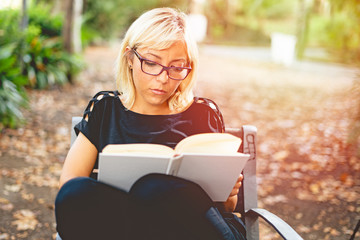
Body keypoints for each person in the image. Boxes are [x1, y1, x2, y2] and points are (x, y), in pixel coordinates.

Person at [55, 7, 246, 240]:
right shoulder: (106, 110)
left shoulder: (202, 114)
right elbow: (70, 186)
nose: (163, 78)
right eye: (152, 63)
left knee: (155, 188)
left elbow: (227, 207)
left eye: (176, 68)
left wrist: (228, 191)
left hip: (200, 232)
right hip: (128, 228)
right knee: (76, 193)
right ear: (130, 59)